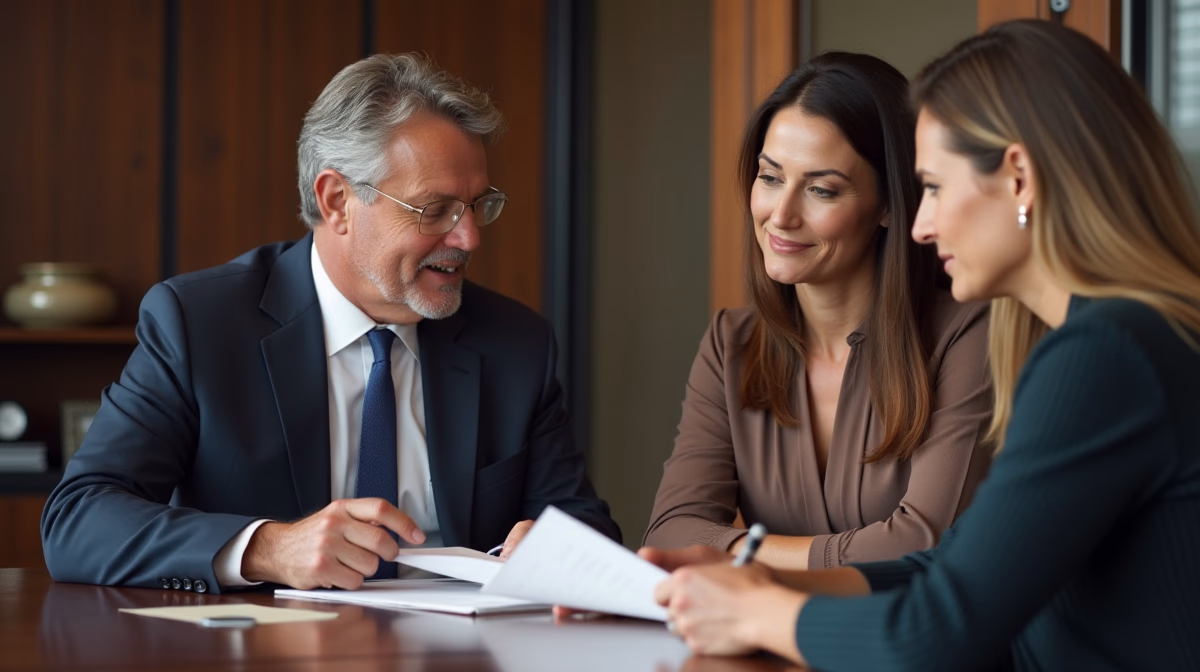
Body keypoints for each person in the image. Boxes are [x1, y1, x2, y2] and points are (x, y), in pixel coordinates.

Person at [648, 20, 1200, 670]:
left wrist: (753, 610)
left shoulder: (1107, 354)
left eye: (933, 187)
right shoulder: (1113, 338)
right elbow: (948, 568)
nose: (920, 225)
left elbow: (934, 632)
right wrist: (747, 580)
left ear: (1019, 178)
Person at [40, 53, 620, 594]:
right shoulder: (198, 324)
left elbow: (586, 528)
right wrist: (268, 547)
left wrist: (553, 552)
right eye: (435, 209)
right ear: (338, 200)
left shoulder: (515, 342)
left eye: (477, 206)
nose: (467, 237)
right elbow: (78, 517)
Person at [643, 52, 993, 570]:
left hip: (910, 649)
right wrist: (826, 554)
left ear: (890, 204)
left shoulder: (969, 334)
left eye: (820, 189)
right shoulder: (730, 344)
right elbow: (670, 534)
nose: (781, 216)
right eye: (769, 177)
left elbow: (924, 545)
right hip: (762, 646)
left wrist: (740, 553)